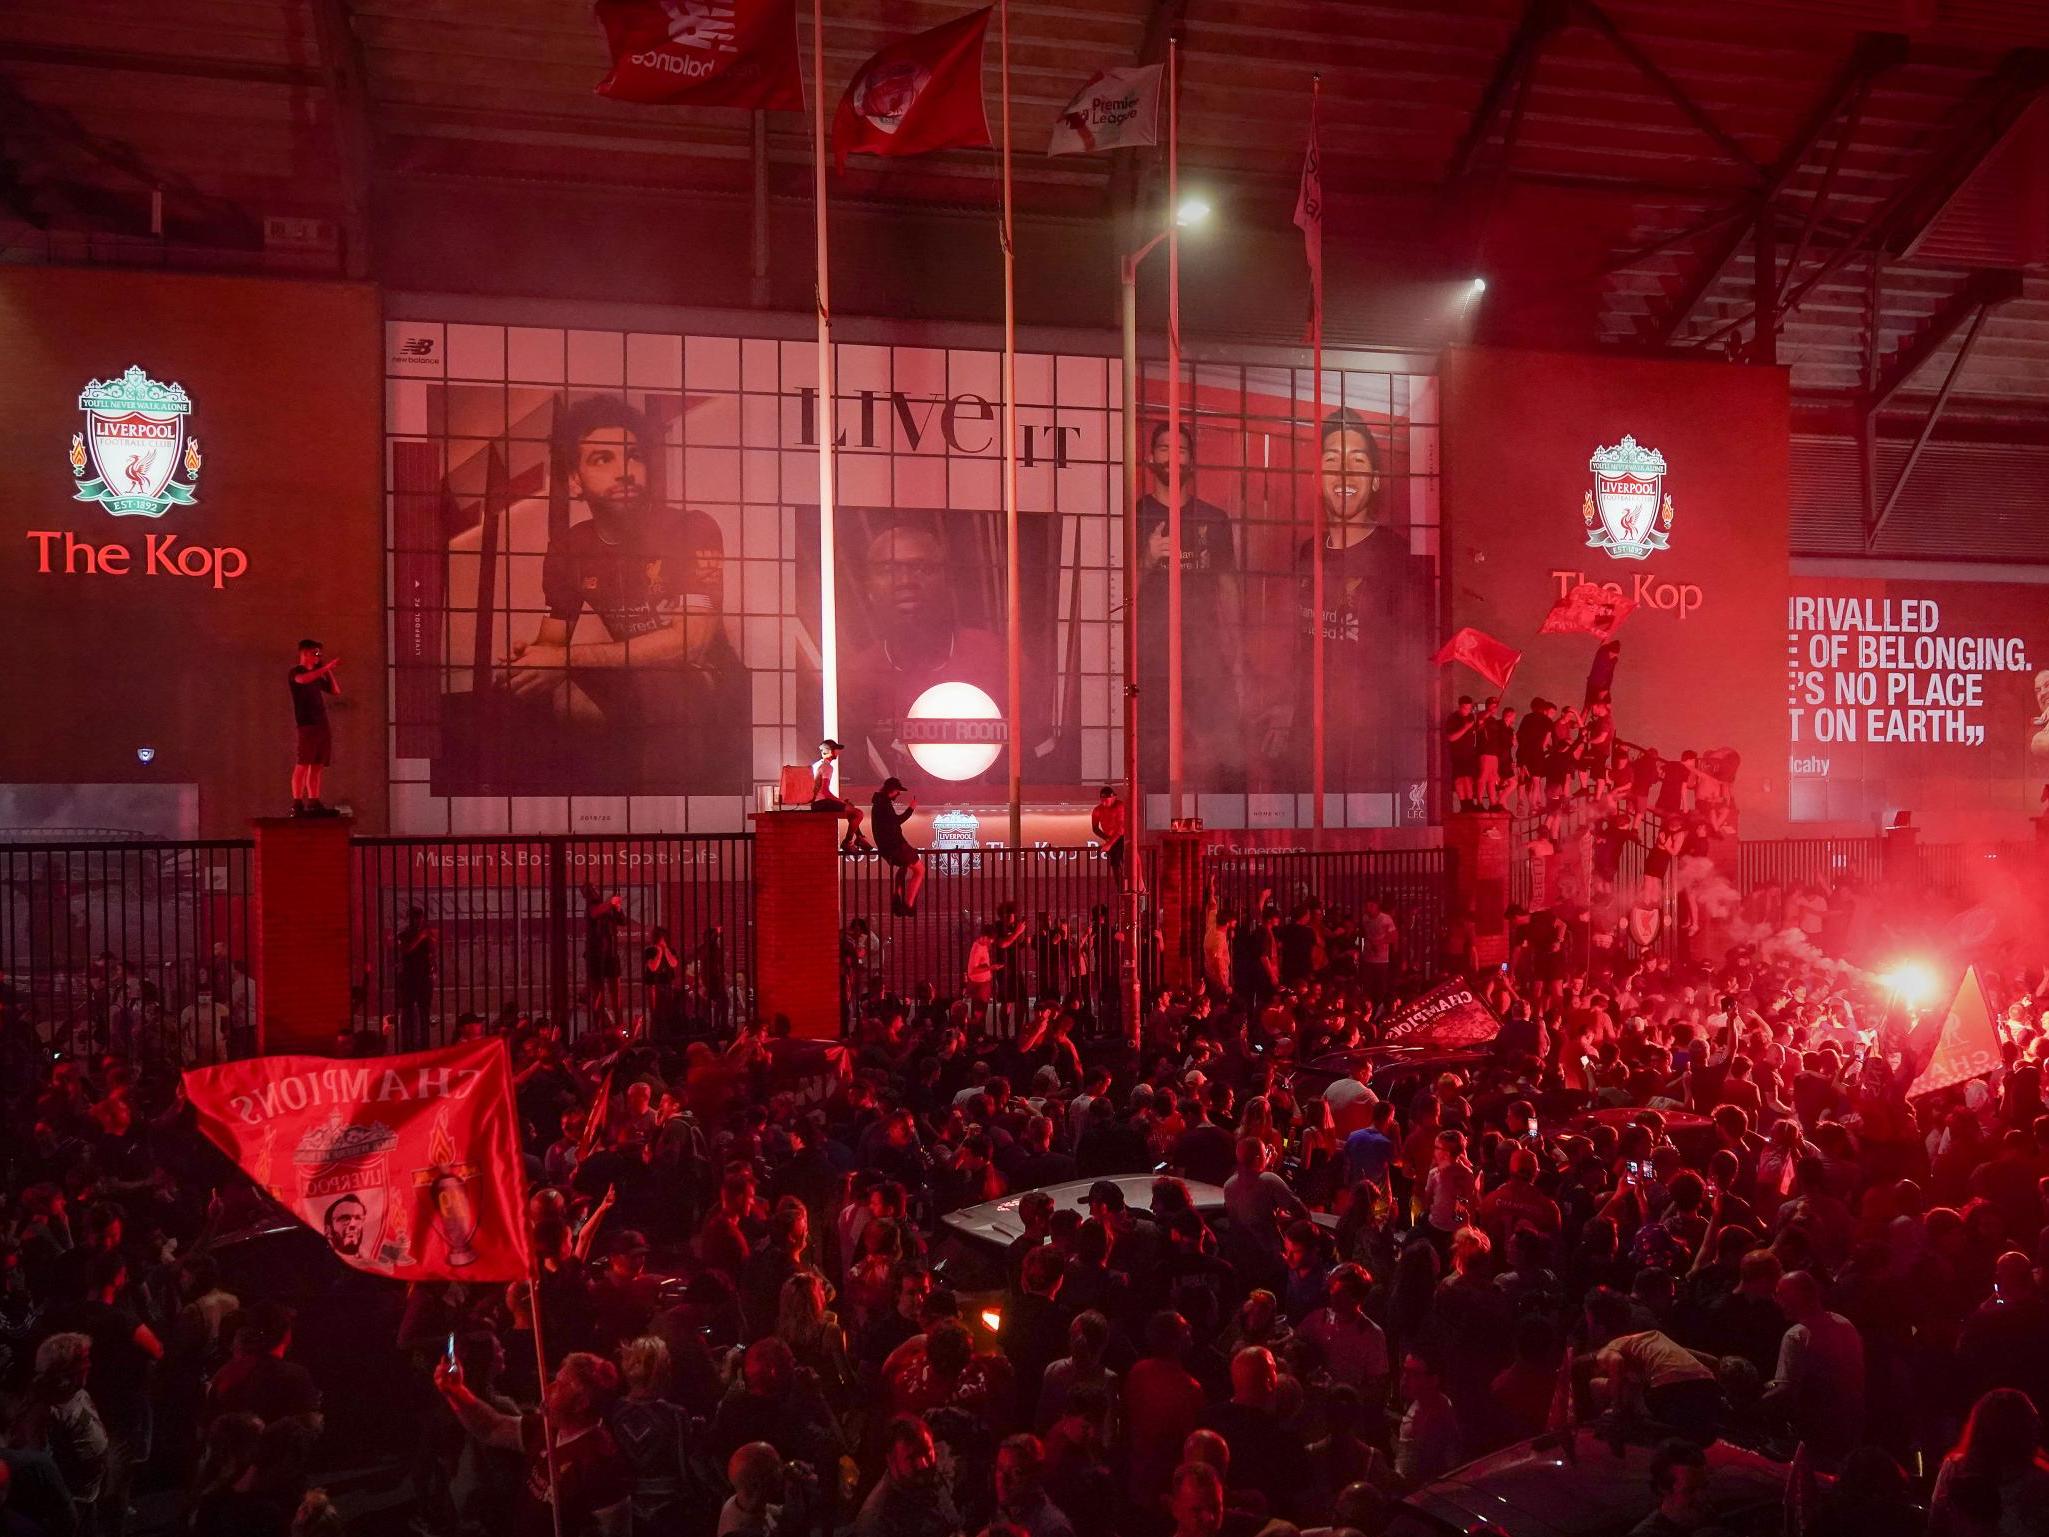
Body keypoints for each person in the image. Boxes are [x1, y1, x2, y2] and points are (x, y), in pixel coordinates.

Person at [499, 394, 748, 790]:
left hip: (702, 677)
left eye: (633, 456)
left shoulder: (693, 527)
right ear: (575, 480)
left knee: (660, 686)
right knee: (537, 692)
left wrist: (562, 658)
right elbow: (553, 638)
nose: (625, 471)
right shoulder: (569, 546)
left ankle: (665, 814)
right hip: (629, 676)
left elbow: (690, 644)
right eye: (603, 459)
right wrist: (532, 659)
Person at [1135, 421, 1245, 791]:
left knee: (1226, 751)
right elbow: (1116, 591)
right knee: (1152, 753)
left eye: (1180, 450)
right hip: (1151, 659)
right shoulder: (1134, 516)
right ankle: (1149, 836)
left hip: (1206, 655)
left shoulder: (1214, 519)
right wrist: (1147, 559)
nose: (1172, 457)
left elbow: (1228, 588)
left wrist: (1235, 652)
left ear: (1192, 460)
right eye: (1164, 449)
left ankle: (1226, 836)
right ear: (1150, 459)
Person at [288, 638, 341, 817]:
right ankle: (297, 801)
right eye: (315, 652)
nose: (318, 656)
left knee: (317, 764)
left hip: (321, 724)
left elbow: (335, 691)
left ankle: (313, 799)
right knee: (303, 762)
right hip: (307, 724)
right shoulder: (297, 672)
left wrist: (328, 671)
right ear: (304, 653)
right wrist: (324, 668)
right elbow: (303, 680)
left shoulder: (317, 676)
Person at [871, 777, 926, 917]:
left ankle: (900, 901)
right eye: (898, 791)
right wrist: (911, 809)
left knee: (905, 866)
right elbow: (896, 821)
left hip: (887, 847)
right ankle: (908, 904)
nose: (898, 794)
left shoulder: (878, 803)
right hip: (896, 845)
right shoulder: (884, 804)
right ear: (892, 790)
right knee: (920, 869)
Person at [811, 740, 873, 853]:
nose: (838, 752)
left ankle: (860, 838)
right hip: (822, 803)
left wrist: (842, 803)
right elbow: (825, 791)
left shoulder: (818, 765)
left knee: (850, 808)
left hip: (817, 803)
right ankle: (848, 842)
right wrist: (841, 802)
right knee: (858, 813)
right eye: (836, 750)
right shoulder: (827, 767)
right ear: (829, 751)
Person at [394, 906, 438, 1051]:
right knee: (407, 1013)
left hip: (423, 977)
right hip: (408, 978)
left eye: (420, 917)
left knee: (424, 1011)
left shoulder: (426, 935)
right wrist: (421, 937)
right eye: (415, 917)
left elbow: (432, 953)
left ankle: (424, 1045)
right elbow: (405, 950)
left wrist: (433, 969)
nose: (418, 921)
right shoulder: (403, 935)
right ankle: (406, 1046)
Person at [1090, 787, 1128, 880]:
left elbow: (1121, 829)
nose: (1104, 803)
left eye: (1106, 800)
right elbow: (1095, 828)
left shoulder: (1119, 806)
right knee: (1115, 864)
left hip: (1123, 837)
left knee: (1123, 860)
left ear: (1114, 798)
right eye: (1102, 800)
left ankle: (1128, 883)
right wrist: (1107, 839)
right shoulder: (1097, 810)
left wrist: (1109, 843)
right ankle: (1120, 888)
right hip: (1111, 838)